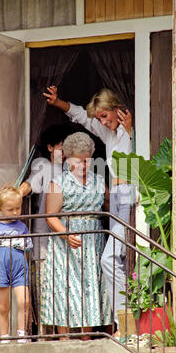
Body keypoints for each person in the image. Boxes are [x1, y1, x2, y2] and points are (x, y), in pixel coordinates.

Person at [43, 86, 134, 338]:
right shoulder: (110, 134)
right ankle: (123, 325)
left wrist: (132, 133)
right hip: (118, 198)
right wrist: (59, 102)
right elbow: (82, 117)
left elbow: (135, 166)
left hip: (128, 196)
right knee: (115, 262)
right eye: (100, 118)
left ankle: (124, 325)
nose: (103, 122)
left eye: (105, 116)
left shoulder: (130, 133)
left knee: (111, 261)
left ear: (117, 110)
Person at [40, 132, 112, 340]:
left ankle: (86, 335)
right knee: (65, 286)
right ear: (69, 159)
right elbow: (51, 216)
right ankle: (63, 337)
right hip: (66, 242)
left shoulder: (99, 181)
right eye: (79, 160)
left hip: (93, 240)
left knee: (90, 285)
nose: (84, 164)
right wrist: (65, 233)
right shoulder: (58, 182)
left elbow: (109, 207)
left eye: (87, 159)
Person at [18, 125, 69, 337]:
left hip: (66, 242)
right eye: (61, 147)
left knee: (63, 291)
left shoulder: (72, 170)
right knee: (44, 292)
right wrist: (15, 195)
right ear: (49, 147)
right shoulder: (44, 166)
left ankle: (63, 333)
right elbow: (28, 185)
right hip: (44, 243)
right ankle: (45, 335)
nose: (65, 152)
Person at [0, 186, 33, 343]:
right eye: (10, 209)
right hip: (1, 269)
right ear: (0, 209)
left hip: (19, 268)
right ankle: (4, 336)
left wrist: (24, 264)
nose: (15, 213)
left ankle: (22, 334)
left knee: (24, 301)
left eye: (18, 208)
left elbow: (27, 249)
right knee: (3, 306)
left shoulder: (22, 227)